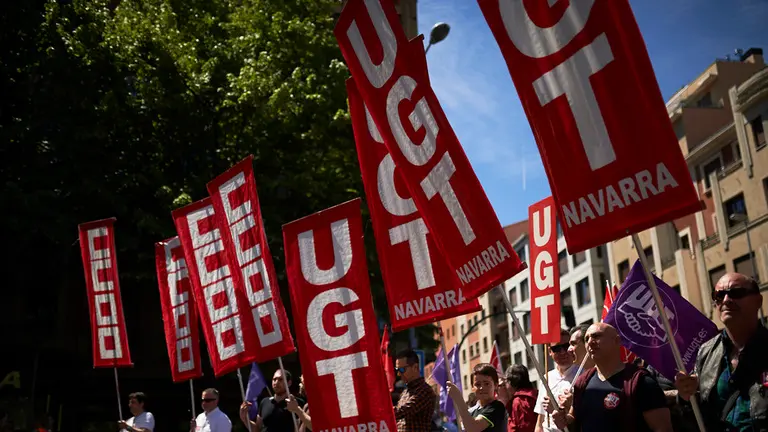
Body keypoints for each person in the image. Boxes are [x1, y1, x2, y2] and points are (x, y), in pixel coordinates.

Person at [675, 273, 768, 430]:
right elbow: (698, 420)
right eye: (719, 295)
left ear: (758, 301)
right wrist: (685, 398)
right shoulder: (705, 352)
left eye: (736, 293)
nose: (726, 300)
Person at [551, 323, 672, 432]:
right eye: (586, 339)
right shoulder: (581, 383)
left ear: (617, 341)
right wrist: (564, 420)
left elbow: (662, 428)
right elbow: (574, 419)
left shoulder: (640, 381)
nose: (590, 342)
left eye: (596, 336)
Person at [534, 329, 576, 432]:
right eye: (557, 348)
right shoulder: (546, 378)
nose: (562, 352)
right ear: (550, 351)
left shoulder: (582, 375)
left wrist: (556, 409)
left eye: (566, 346)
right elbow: (540, 419)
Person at [446, 363, 506, 432]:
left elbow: (473, 428)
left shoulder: (497, 407)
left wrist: (459, 399)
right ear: (472, 387)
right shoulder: (471, 412)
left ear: (495, 385)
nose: (482, 388)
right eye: (478, 384)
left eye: (487, 383)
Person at [394, 349, 437, 432]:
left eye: (402, 370)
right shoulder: (405, 392)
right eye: (397, 370)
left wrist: (382, 409)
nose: (399, 374)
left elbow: (403, 411)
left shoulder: (424, 390)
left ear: (415, 367)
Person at [498, 364, 537, 432]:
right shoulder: (534, 394)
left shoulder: (520, 401)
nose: (505, 387)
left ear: (511, 382)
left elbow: (524, 427)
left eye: (506, 382)